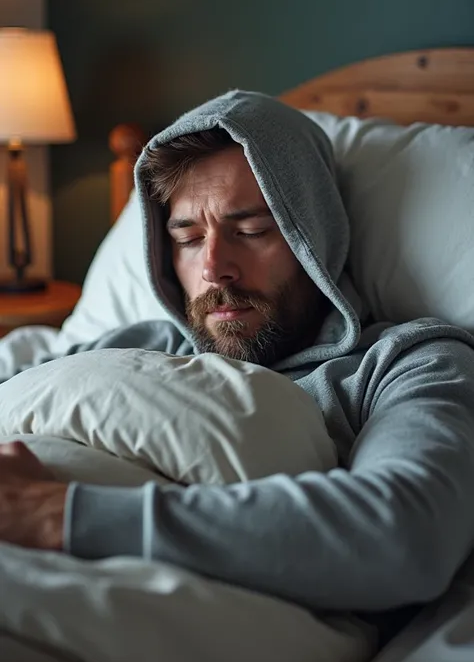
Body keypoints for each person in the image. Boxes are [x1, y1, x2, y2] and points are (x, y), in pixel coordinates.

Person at [1, 89, 474, 620]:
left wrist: (59, 516)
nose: (213, 268)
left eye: (250, 231)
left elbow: (407, 536)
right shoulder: (146, 343)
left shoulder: (405, 364)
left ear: (313, 238)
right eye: (186, 238)